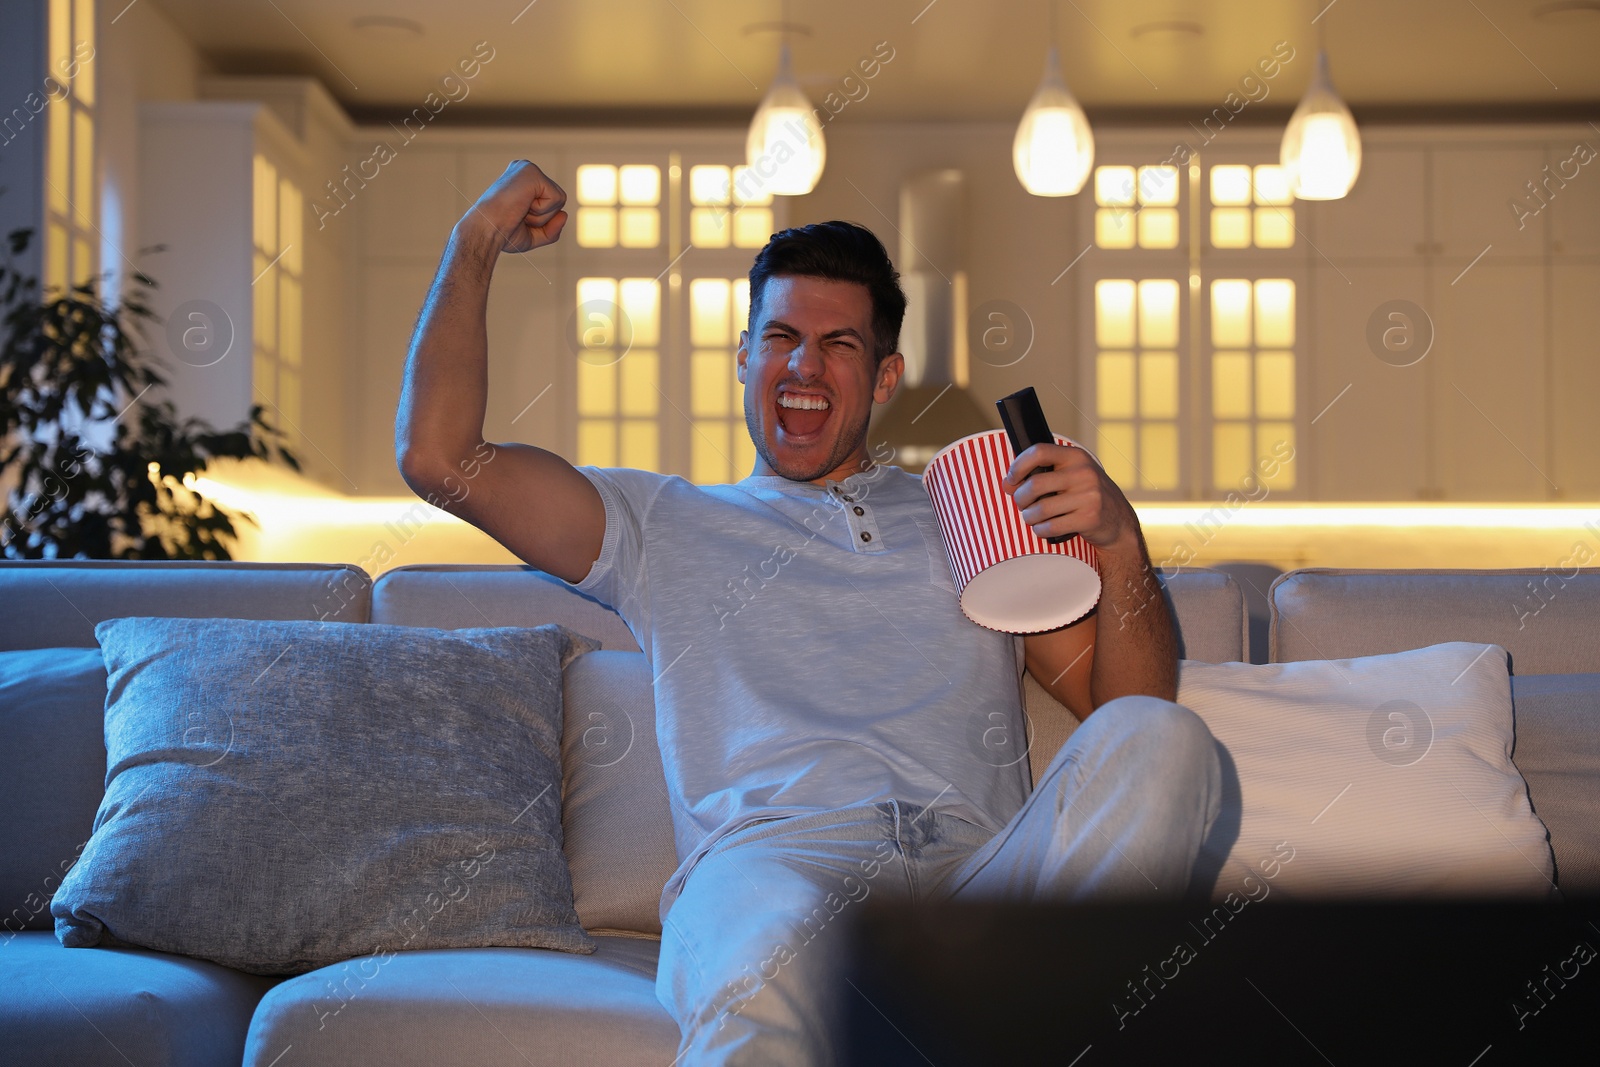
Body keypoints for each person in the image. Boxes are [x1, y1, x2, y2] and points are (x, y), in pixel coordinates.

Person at [396, 160, 1222, 1066]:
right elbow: (441, 457)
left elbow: (1126, 709)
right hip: (773, 866)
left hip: (976, 877)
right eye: (781, 335)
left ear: (883, 377)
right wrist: (475, 240)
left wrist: (1120, 539)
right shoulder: (659, 521)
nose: (803, 363)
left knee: (1166, 741)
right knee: (767, 947)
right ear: (743, 356)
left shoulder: (966, 507)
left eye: (839, 345)